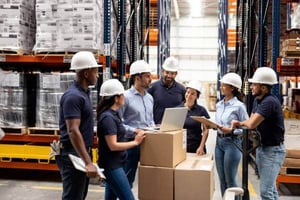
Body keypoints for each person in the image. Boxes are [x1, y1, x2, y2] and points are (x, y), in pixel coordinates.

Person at [231, 67, 285, 200]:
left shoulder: (269, 102)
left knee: (266, 191)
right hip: (262, 148)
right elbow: (251, 119)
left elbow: (251, 123)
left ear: (264, 88)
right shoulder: (257, 101)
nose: (252, 87)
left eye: (255, 84)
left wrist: (238, 122)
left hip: (273, 151)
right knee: (270, 189)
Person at [56, 51, 100, 200]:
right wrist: (88, 162)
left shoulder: (83, 94)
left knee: (79, 196)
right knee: (73, 197)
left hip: (80, 153)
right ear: (86, 73)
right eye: (95, 71)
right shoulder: (73, 96)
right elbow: (73, 130)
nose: (98, 75)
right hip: (73, 155)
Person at [97, 79, 145, 200]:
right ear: (116, 98)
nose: (124, 96)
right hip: (112, 166)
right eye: (122, 94)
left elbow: (119, 129)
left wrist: (134, 130)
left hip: (117, 163)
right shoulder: (107, 117)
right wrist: (135, 142)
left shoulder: (114, 114)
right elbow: (113, 145)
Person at [119, 60, 154, 188]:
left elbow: (151, 120)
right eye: (147, 76)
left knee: (150, 178)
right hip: (130, 144)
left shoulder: (149, 98)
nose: (150, 79)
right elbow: (118, 123)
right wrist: (135, 131)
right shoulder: (125, 97)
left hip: (148, 143)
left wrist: (155, 127)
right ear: (137, 78)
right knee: (127, 180)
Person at [214, 72, 249, 199]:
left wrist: (231, 130)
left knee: (230, 181)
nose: (221, 87)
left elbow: (246, 128)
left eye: (224, 85)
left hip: (232, 144)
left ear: (232, 88)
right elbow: (219, 123)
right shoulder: (219, 105)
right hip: (219, 143)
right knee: (222, 180)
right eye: (221, 84)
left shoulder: (239, 106)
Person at [148, 56, 186, 124]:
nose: (169, 76)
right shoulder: (152, 88)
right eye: (167, 72)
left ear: (176, 74)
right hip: (156, 128)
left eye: (172, 73)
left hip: (175, 127)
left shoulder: (182, 90)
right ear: (162, 71)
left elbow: (186, 108)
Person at [179, 80, 210, 154]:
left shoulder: (201, 110)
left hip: (197, 147)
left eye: (193, 94)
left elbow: (205, 130)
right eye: (188, 92)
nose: (189, 95)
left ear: (197, 96)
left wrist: (201, 147)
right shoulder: (178, 109)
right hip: (181, 146)